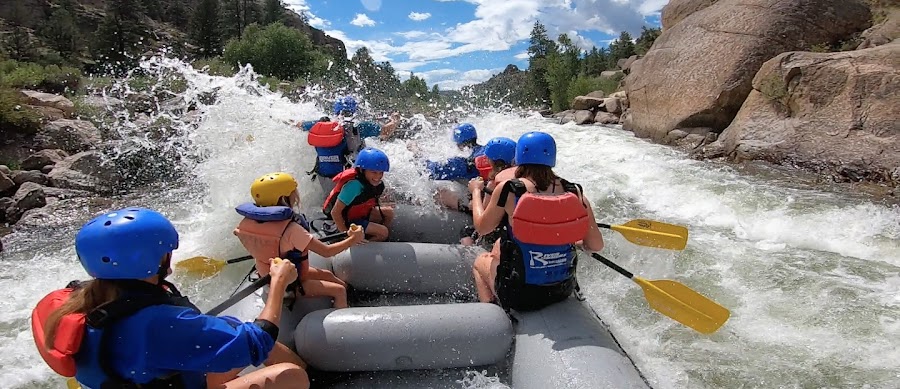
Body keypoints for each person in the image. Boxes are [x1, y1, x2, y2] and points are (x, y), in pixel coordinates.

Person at [31, 207, 309, 389]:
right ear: (153, 258)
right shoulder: (158, 323)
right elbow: (257, 342)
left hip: (146, 375)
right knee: (291, 376)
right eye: (166, 251)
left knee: (237, 330)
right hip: (160, 375)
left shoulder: (81, 297)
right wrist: (278, 283)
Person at [467, 131, 605, 311]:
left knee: (480, 261)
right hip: (563, 288)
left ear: (518, 158)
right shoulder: (574, 192)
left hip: (520, 294)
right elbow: (595, 245)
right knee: (500, 246)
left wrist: (476, 191)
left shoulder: (510, 190)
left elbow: (482, 228)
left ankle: (493, 313)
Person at [233, 172, 364, 309]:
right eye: (293, 193)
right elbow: (327, 252)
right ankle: (342, 314)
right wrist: (352, 239)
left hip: (271, 274)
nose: (296, 196)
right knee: (339, 290)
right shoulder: (292, 230)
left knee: (327, 275)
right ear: (283, 198)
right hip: (288, 284)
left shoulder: (248, 224)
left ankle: (351, 297)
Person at [300, 96, 400, 182]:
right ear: (354, 111)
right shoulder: (360, 127)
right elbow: (385, 132)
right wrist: (395, 120)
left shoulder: (319, 125)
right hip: (347, 178)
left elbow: (298, 125)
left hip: (323, 177)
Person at [323, 148, 395, 242]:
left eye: (381, 172)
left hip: (357, 215)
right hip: (344, 221)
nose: (378, 177)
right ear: (362, 170)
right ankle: (362, 246)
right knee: (383, 232)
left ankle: (375, 239)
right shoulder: (354, 186)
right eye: (373, 172)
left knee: (389, 212)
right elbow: (335, 212)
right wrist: (347, 237)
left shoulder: (373, 183)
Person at [458, 136, 517, 245]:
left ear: (491, 161)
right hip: (515, 233)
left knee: (466, 231)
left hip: (498, 237)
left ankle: (471, 252)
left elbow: (482, 222)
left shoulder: (493, 184)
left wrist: (475, 190)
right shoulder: (522, 179)